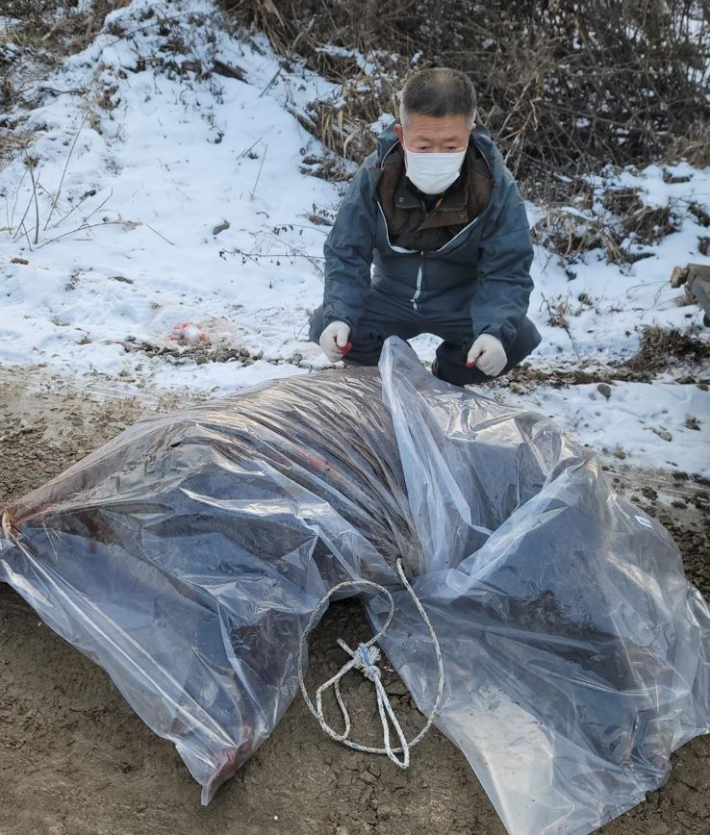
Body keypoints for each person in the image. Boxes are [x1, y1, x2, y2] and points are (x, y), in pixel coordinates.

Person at [309, 67, 541, 386]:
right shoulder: (375, 175)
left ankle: (446, 376)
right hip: (392, 294)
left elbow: (507, 267)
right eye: (423, 146)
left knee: (517, 337)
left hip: (460, 300)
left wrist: (495, 332)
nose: (436, 156)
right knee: (326, 322)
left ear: (470, 133)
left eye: (450, 146)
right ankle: (391, 369)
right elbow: (346, 251)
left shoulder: (496, 186)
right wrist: (339, 316)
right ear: (403, 135)